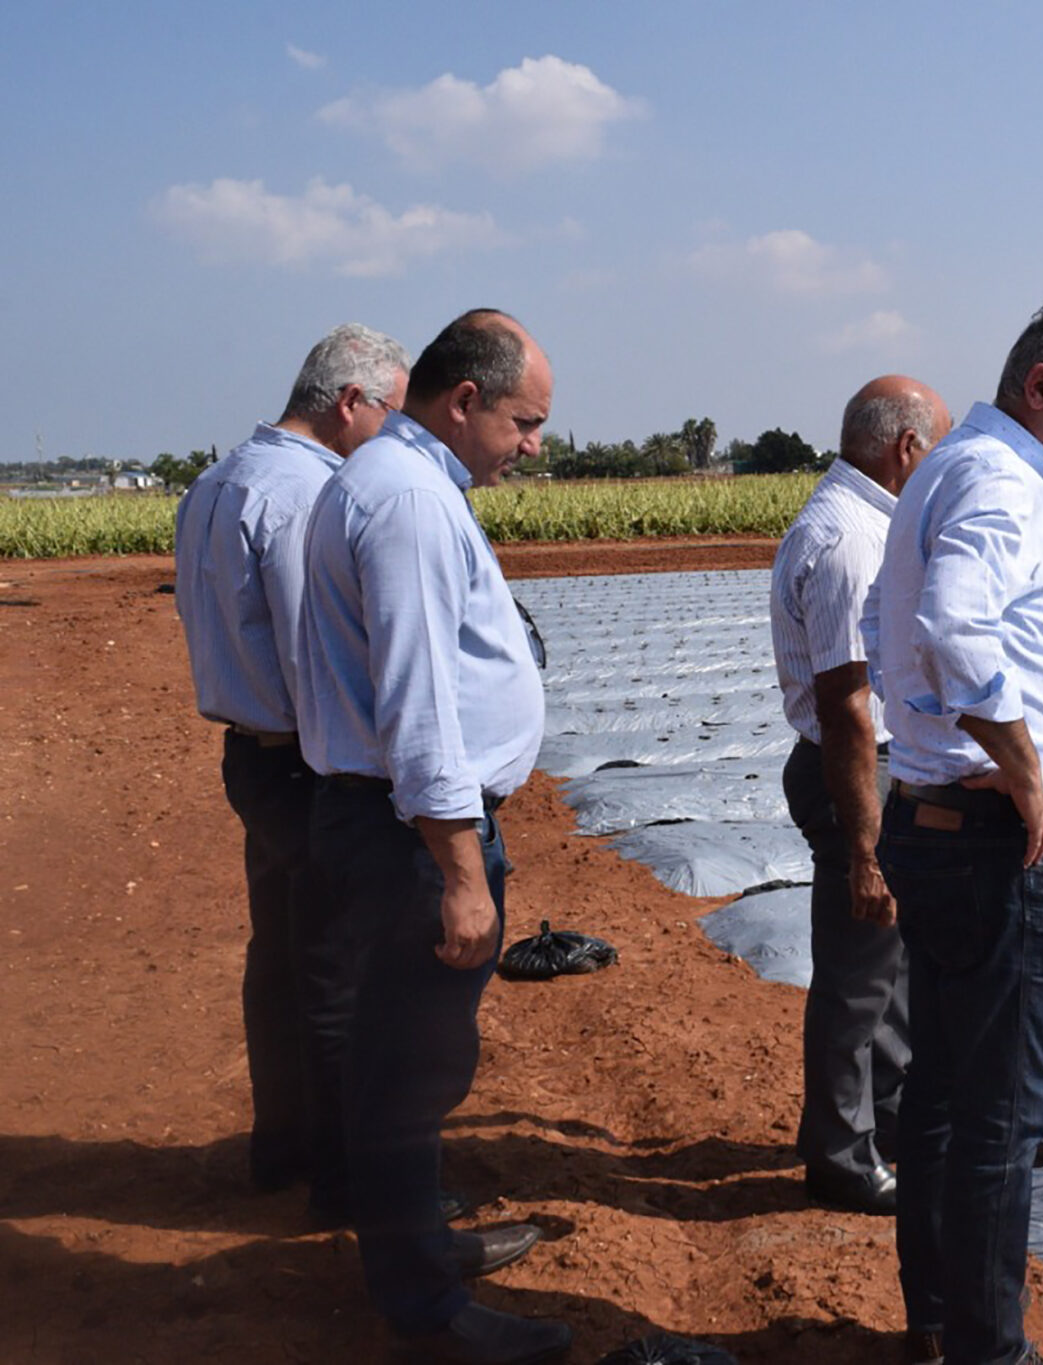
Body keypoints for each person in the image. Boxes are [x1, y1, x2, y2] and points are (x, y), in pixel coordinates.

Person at [863, 298, 1043, 1365]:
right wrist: (1027, 780)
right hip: (990, 839)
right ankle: (991, 1350)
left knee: (939, 1088)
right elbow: (952, 623)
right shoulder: (999, 481)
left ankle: (934, 1325)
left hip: (932, 821)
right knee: (1001, 1117)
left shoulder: (954, 468)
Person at [295, 309, 567, 1365]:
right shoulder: (405, 500)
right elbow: (417, 708)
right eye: (524, 421)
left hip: (392, 819)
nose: (532, 444)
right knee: (407, 1069)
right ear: (464, 402)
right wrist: (461, 872)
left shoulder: (393, 484)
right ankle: (423, 1309)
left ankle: (418, 1254)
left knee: (403, 1059)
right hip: (409, 830)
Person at [173, 323, 411, 1205]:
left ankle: (285, 1147)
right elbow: (322, 657)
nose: (394, 432)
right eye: (391, 409)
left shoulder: (215, 481)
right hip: (309, 767)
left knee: (278, 958)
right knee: (340, 970)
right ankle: (352, 1180)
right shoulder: (307, 496)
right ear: (351, 402)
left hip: (250, 756)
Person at [770, 376, 952, 1216]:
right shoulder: (848, 540)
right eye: (938, 450)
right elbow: (848, 708)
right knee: (857, 970)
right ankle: (842, 1156)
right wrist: (867, 847)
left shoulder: (861, 523)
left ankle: (882, 1124)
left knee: (889, 966)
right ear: (905, 449)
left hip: (874, 769)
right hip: (856, 772)